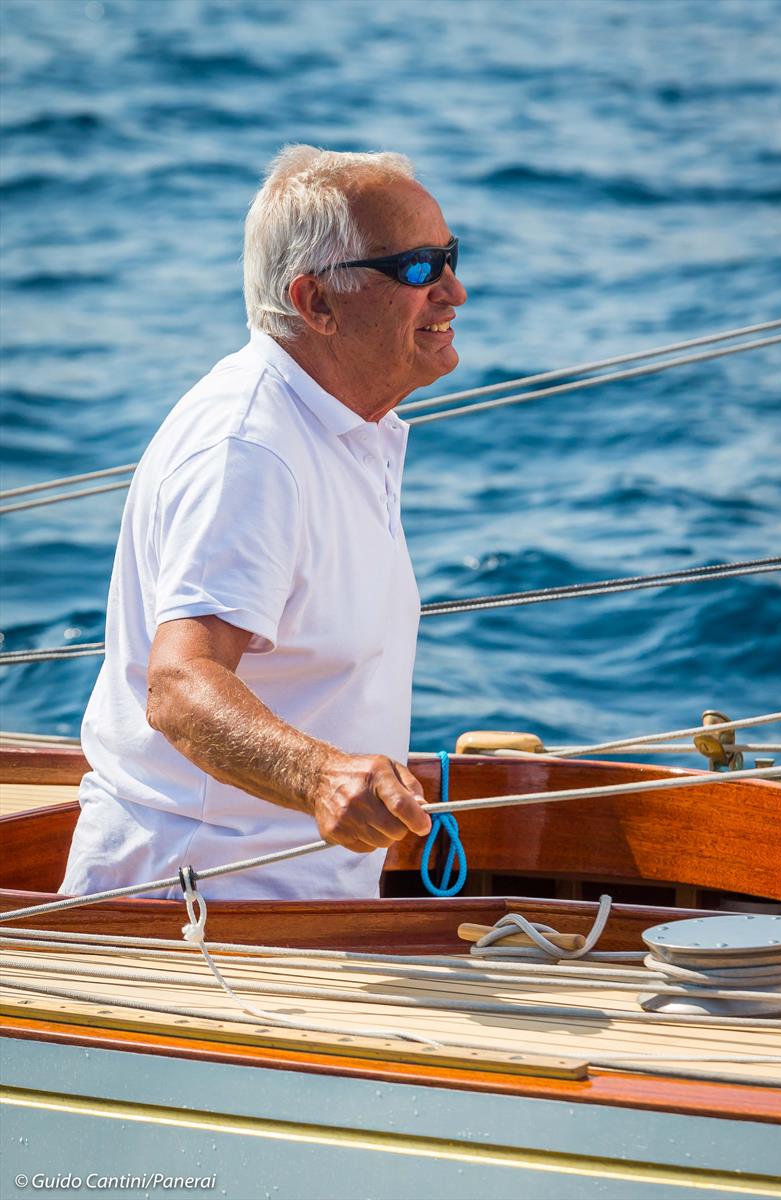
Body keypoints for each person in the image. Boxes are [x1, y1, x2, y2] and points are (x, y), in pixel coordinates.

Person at [60, 145, 468, 901]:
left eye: (450, 256)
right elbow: (180, 686)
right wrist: (320, 776)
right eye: (417, 269)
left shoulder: (344, 424)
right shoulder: (249, 450)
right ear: (317, 303)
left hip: (295, 908)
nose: (454, 292)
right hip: (201, 919)